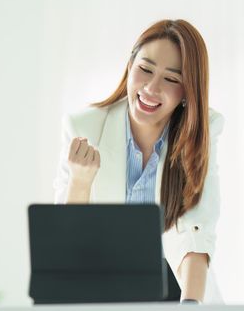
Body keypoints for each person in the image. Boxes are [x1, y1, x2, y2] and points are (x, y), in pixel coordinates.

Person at [53, 19, 224, 304]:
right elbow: (66, 249)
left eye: (171, 79)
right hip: (102, 291)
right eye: (145, 69)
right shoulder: (84, 127)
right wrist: (81, 182)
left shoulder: (201, 130)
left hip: (176, 289)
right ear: (129, 66)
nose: (151, 88)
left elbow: (197, 230)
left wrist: (191, 305)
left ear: (187, 91)